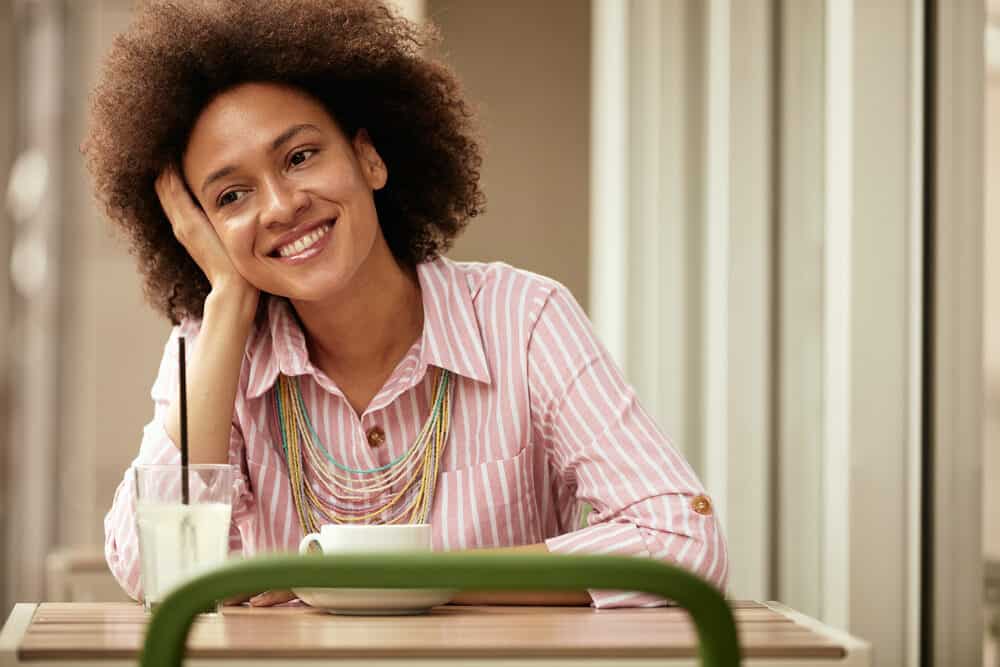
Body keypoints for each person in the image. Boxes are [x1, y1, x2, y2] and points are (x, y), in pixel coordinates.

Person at [85, 0, 728, 609]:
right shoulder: (210, 356)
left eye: (300, 156)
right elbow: (157, 572)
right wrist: (225, 304)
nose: (281, 206)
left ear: (369, 157)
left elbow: (680, 540)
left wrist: (405, 581)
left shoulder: (523, 318)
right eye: (230, 197)